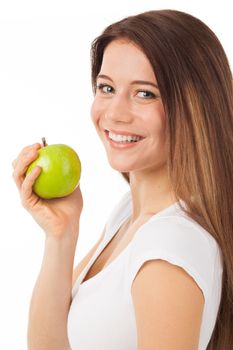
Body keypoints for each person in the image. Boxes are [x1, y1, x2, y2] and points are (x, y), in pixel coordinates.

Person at [12, 9, 233, 350]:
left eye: (145, 93)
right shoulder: (131, 212)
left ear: (193, 106)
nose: (115, 113)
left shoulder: (167, 249)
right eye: (107, 87)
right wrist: (61, 235)